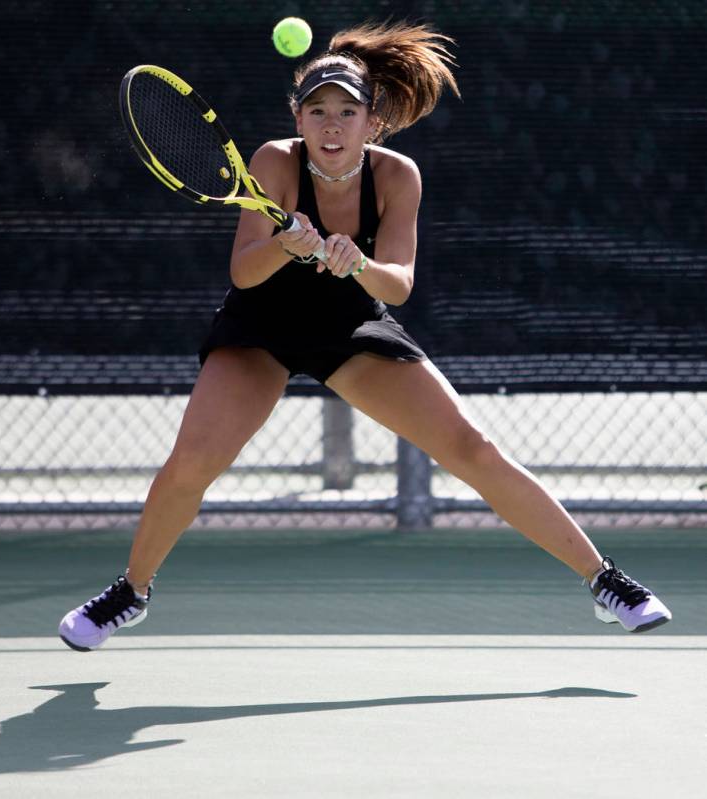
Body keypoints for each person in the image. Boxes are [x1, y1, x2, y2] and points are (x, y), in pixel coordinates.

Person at [59, 21, 671, 651]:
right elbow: (243, 272)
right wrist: (283, 244)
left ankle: (604, 582)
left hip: (348, 323)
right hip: (260, 327)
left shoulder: (399, 176)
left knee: (472, 448)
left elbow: (398, 283)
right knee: (191, 464)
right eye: (317, 111)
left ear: (371, 121)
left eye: (347, 112)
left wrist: (357, 264)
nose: (331, 126)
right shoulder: (272, 163)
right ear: (298, 118)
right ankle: (131, 592)